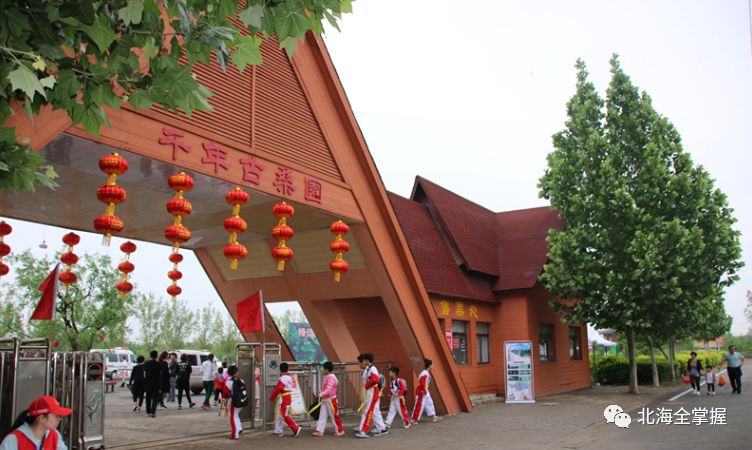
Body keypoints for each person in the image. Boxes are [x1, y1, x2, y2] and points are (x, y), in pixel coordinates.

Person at [0, 396, 72, 450]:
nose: (59, 419)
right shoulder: (13, 439)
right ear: (42, 418)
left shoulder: (55, 435)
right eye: (56, 416)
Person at [355, 353, 387, 438]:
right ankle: (382, 429)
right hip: (371, 392)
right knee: (375, 411)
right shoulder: (369, 369)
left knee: (368, 411)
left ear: (366, 360)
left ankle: (364, 430)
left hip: (372, 392)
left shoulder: (372, 369)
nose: (362, 363)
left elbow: (375, 379)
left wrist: (367, 385)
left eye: (363, 361)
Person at [269, 362, 301, 438]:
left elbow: (278, 389)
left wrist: (272, 397)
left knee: (284, 415)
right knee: (279, 415)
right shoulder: (289, 377)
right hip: (286, 397)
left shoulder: (283, 378)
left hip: (284, 398)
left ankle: (295, 428)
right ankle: (278, 431)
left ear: (280, 370)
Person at [312, 361, 344, 437]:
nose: (322, 370)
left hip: (331, 400)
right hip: (326, 399)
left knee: (334, 416)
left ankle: (339, 430)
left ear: (327, 370)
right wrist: (321, 394)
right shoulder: (329, 377)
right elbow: (327, 389)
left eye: (323, 369)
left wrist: (320, 394)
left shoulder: (331, 378)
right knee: (322, 415)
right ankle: (320, 430)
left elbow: (328, 389)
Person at [412, 358, 442, 423]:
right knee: (419, 405)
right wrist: (424, 391)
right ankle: (414, 419)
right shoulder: (425, 373)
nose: (433, 365)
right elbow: (422, 382)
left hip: (424, 390)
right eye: (432, 364)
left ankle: (434, 416)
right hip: (422, 391)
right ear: (430, 366)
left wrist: (425, 390)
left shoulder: (426, 372)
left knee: (429, 402)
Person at [225, 365, 248, 440]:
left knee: (233, 417)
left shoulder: (228, 382)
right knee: (236, 415)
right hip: (242, 402)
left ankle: (235, 434)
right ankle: (239, 428)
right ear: (236, 372)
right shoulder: (241, 380)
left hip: (233, 402)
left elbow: (225, 394)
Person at [143, 350, 161, 418]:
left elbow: (144, 372)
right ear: (156, 356)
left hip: (148, 382)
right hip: (156, 382)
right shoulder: (158, 364)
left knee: (148, 397)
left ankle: (148, 412)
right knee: (155, 398)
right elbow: (160, 373)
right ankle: (153, 412)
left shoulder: (146, 363)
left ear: (150, 355)